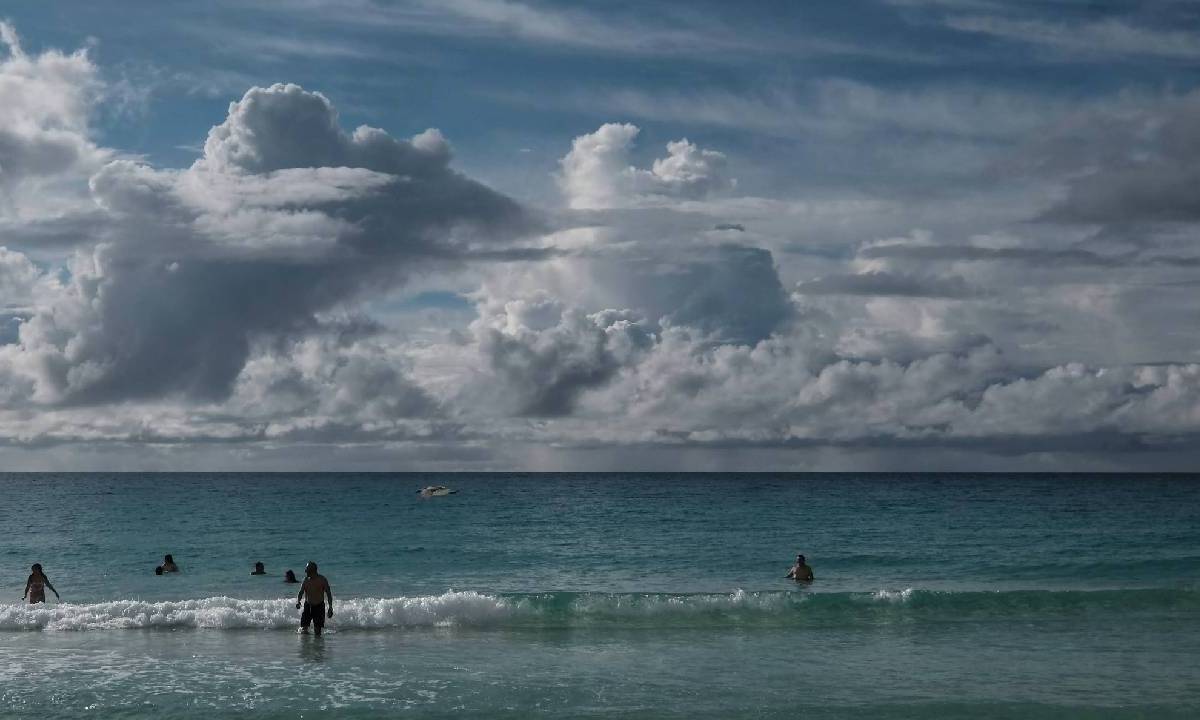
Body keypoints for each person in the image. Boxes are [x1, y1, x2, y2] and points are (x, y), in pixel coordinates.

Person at [296, 561, 333, 635]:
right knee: (303, 630)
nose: (305, 571)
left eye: (307, 569)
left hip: (319, 606)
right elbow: (301, 592)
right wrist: (298, 601)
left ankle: (317, 646)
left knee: (317, 631)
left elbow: (329, 593)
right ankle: (306, 645)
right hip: (308, 606)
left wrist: (330, 607)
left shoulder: (322, 580)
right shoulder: (305, 580)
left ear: (313, 570)